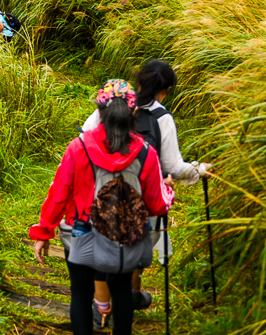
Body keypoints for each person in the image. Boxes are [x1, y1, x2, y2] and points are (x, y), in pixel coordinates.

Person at [30, 80, 173, 335]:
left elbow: (59, 193)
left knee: (81, 296)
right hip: (123, 237)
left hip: (80, 231)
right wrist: (169, 189)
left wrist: (44, 231)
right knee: (121, 291)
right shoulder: (145, 152)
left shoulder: (79, 147)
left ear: (99, 111)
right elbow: (156, 204)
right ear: (134, 112)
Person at [82, 59, 211, 315]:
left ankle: (103, 306)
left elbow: (84, 139)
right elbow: (173, 167)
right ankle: (128, 296)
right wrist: (200, 170)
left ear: (139, 80)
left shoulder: (112, 102)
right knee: (135, 244)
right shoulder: (162, 118)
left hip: (101, 191)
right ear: (168, 89)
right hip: (143, 196)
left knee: (104, 245)